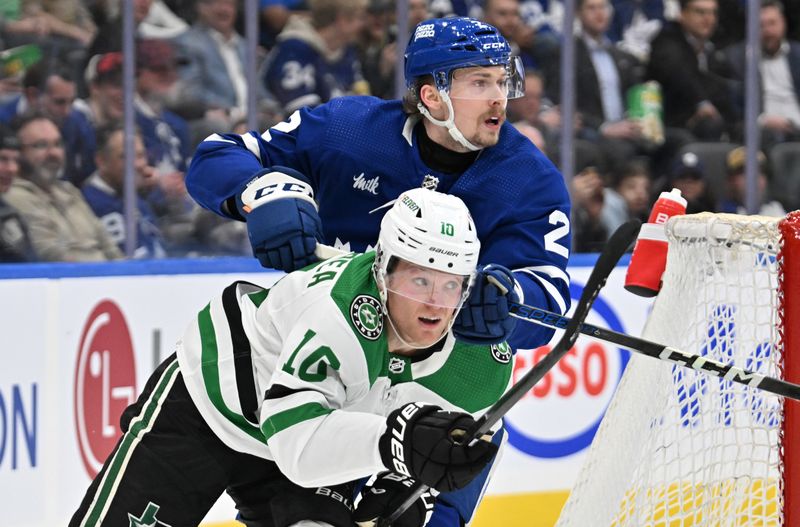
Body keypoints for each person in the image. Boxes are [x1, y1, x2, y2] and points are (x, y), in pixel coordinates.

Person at [69, 188, 509, 527]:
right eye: (419, 280)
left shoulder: (478, 362)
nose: (435, 304)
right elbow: (294, 443)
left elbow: (466, 445)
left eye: (451, 284)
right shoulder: (337, 313)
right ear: (382, 268)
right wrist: (395, 446)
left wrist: (411, 483)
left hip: (318, 423)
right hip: (214, 405)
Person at [185, 16, 572, 354]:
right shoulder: (347, 131)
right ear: (432, 97)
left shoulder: (530, 181)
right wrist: (263, 191)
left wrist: (509, 299)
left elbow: (547, 299)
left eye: (502, 82)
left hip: (433, 376)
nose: (499, 100)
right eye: (480, 83)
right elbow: (218, 155)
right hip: (315, 344)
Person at [3, 113, 122, 261]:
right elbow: (50, 254)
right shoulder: (13, 195)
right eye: (41, 145)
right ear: (19, 153)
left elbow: (109, 245)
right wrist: (104, 270)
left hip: (106, 278)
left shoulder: (69, 191)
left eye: (58, 144)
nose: (53, 153)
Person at [261, 0, 370, 114]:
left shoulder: (347, 51)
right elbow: (301, 113)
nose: (364, 24)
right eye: (360, 18)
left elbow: (361, 99)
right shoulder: (294, 48)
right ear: (342, 20)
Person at [81, 125, 167, 259]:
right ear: (101, 161)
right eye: (126, 156)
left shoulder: (134, 196)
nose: (138, 164)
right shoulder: (90, 205)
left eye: (140, 155)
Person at [0, 123, 35, 262]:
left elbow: (31, 269)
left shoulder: (9, 215)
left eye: (16, 160)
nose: (12, 169)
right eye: (3, 159)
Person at [717, 145, 786, 217]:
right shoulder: (723, 216)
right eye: (744, 173)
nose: (753, 180)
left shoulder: (774, 208)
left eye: (760, 172)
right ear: (730, 181)